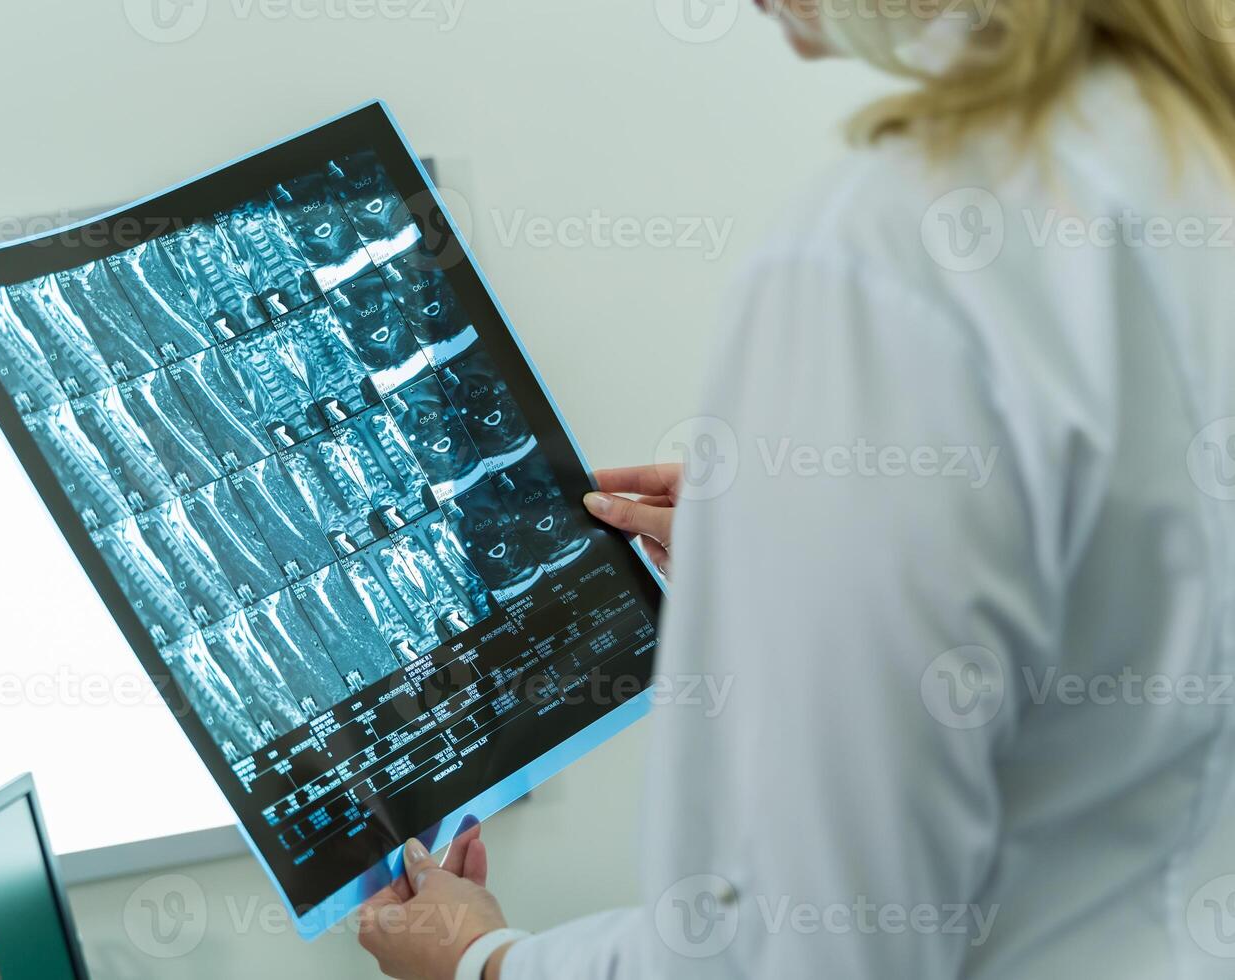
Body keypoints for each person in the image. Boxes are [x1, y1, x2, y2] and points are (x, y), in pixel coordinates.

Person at [359, 1, 1235, 977]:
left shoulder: (884, 251)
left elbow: (815, 948)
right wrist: (815, 578)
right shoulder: (1191, 149)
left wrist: (486, 961)